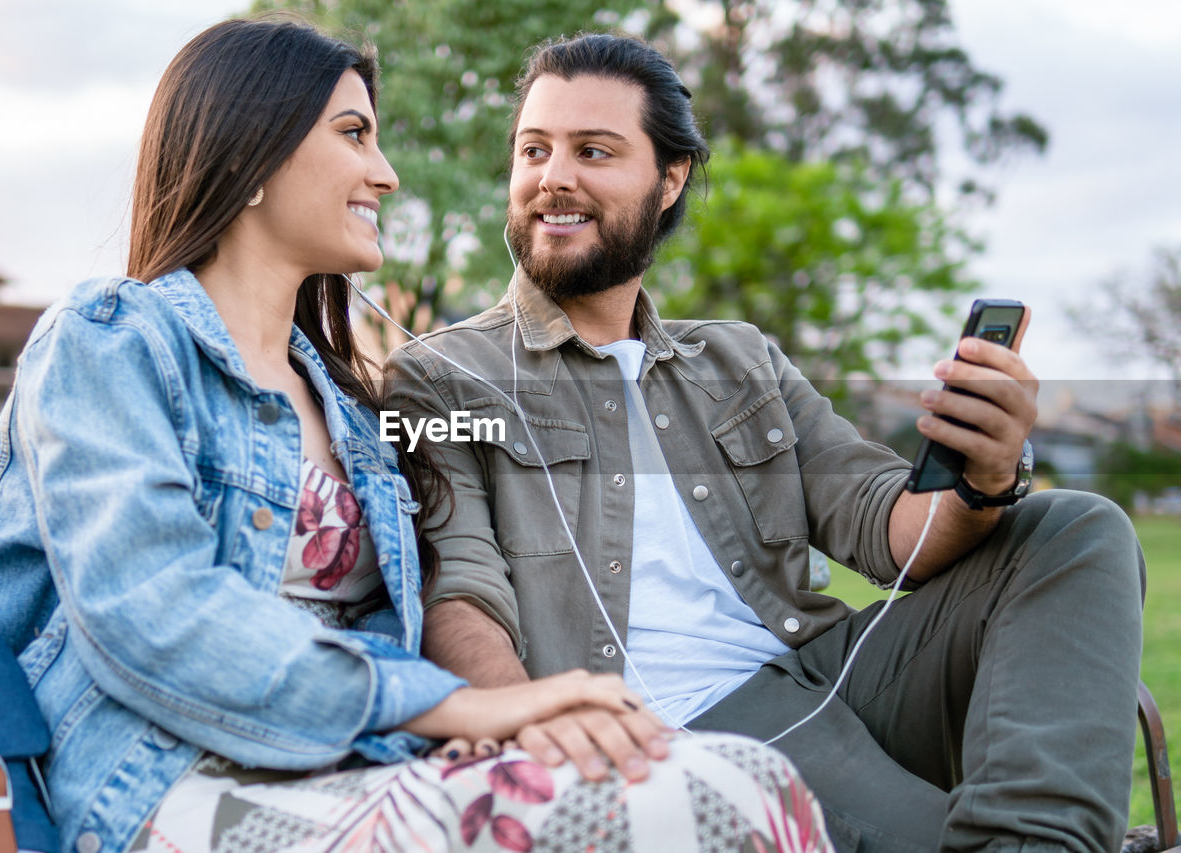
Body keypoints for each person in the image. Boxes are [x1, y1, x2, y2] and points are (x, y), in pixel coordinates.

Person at [0, 16, 833, 853]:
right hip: (164, 783)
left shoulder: (346, 405)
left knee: (748, 777)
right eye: (353, 135)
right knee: (689, 807)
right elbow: (153, 614)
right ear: (252, 154)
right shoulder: (113, 339)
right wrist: (457, 706)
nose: (387, 174)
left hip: (351, 766)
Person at [384, 32, 1146, 852]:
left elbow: (890, 528)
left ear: (669, 178)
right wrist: (530, 724)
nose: (553, 176)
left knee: (1077, 528)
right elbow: (455, 585)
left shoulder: (739, 358)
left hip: (829, 668)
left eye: (593, 150)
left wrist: (983, 475)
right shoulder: (440, 377)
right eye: (534, 149)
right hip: (692, 721)